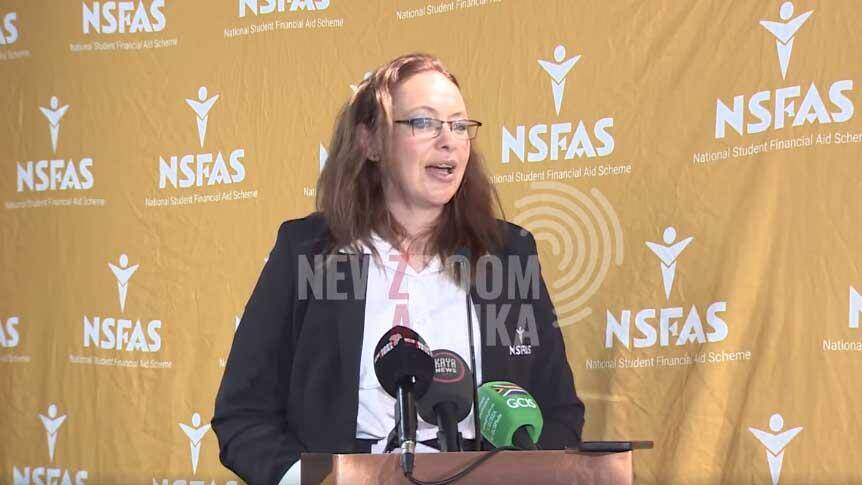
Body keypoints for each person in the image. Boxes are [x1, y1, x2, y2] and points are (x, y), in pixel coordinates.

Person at [212, 53, 585, 485]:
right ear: (370, 142)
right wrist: (312, 480)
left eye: (459, 125)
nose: (448, 141)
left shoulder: (509, 254)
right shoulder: (306, 252)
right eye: (424, 123)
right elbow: (244, 414)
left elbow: (558, 410)